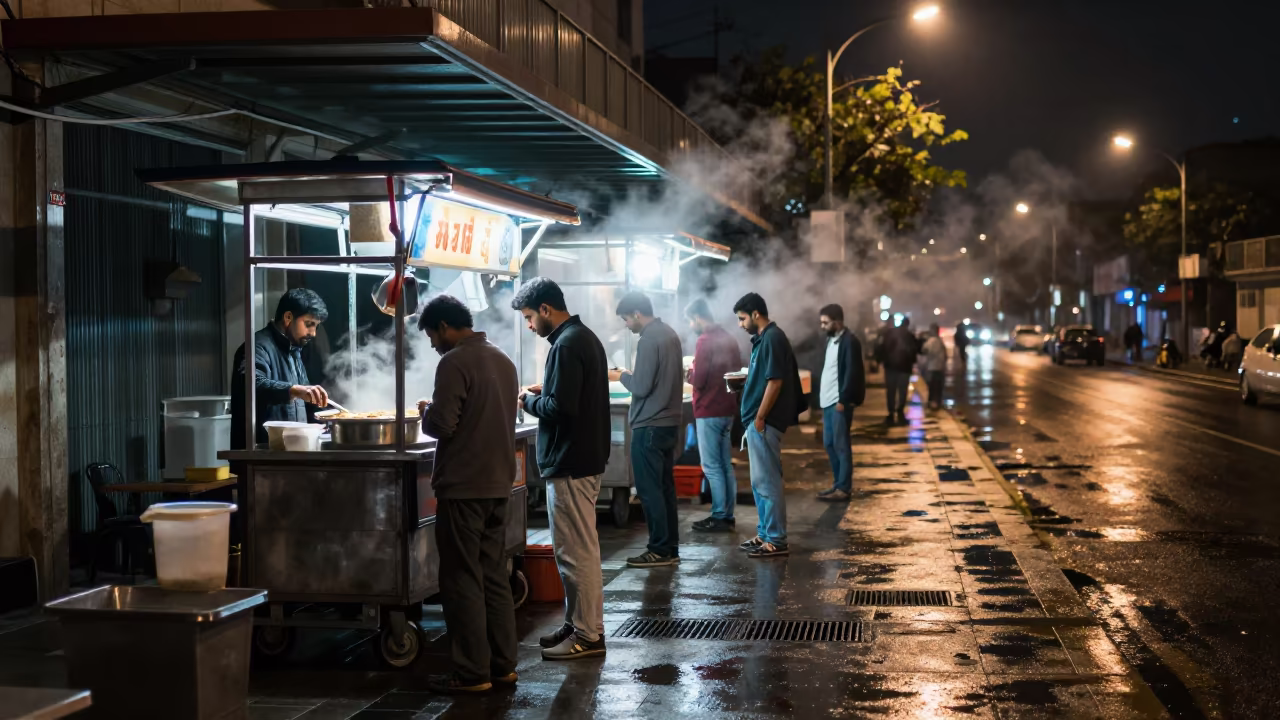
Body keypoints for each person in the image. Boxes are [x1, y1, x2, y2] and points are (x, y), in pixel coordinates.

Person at [416, 295, 519, 695]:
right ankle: (503, 665)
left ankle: (472, 673)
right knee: (494, 575)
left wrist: (427, 411)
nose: (432, 345)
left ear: (444, 327)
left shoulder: (455, 361)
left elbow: (441, 425)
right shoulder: (503, 360)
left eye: (431, 335)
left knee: (461, 578)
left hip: (464, 487)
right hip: (498, 485)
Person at [512, 277, 610, 661]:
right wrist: (546, 391)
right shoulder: (580, 338)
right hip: (579, 460)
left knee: (575, 553)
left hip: (571, 462)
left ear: (547, 309)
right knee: (575, 550)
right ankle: (577, 624)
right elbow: (568, 397)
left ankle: (587, 635)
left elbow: (561, 409)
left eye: (530, 317)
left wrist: (527, 402)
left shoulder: (568, 344)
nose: (530, 326)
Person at [609, 292, 685, 568]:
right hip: (668, 424)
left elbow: (641, 386)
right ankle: (669, 547)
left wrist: (621, 376)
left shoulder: (650, 339)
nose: (627, 325)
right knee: (664, 489)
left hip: (649, 425)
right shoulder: (669, 334)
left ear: (637, 314)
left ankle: (659, 549)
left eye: (626, 319)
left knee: (650, 490)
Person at [734, 293, 804, 559]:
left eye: (742, 318)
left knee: (768, 481)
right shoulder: (762, 340)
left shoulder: (773, 337)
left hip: (764, 421)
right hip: (756, 421)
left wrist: (761, 417)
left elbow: (775, 381)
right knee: (759, 481)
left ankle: (776, 538)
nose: (741, 325)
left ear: (755, 314)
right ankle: (765, 534)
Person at [230, 288, 331, 450]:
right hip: (261, 452)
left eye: (316, 326)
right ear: (288, 317)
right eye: (309, 324)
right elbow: (251, 384)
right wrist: (293, 390)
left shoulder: (294, 350)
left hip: (291, 451)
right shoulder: (257, 346)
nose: (313, 333)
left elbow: (305, 398)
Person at [685, 298, 742, 533]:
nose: (690, 325)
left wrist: (689, 372)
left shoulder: (704, 341)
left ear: (698, 318)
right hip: (727, 409)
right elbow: (737, 374)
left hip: (708, 411)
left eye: (690, 321)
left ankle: (719, 515)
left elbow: (698, 380)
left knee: (711, 465)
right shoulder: (728, 338)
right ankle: (728, 514)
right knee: (724, 464)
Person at [816, 304, 866, 503]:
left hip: (838, 403)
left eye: (825, 322)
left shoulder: (849, 341)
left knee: (841, 445)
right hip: (827, 402)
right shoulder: (831, 341)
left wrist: (843, 400)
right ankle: (837, 483)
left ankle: (844, 488)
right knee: (829, 444)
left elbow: (852, 373)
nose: (822, 326)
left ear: (837, 322)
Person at [881, 316, 918, 426]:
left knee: (891, 391)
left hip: (890, 368)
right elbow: (916, 350)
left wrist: (882, 361)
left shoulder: (889, 334)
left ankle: (891, 414)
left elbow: (882, 348)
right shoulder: (910, 336)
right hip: (905, 368)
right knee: (902, 391)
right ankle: (900, 413)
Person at [920, 323, 947, 410]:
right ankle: (937, 402)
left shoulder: (931, 341)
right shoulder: (940, 341)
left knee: (932, 386)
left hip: (932, 367)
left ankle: (932, 403)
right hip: (940, 367)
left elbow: (924, 350)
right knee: (938, 387)